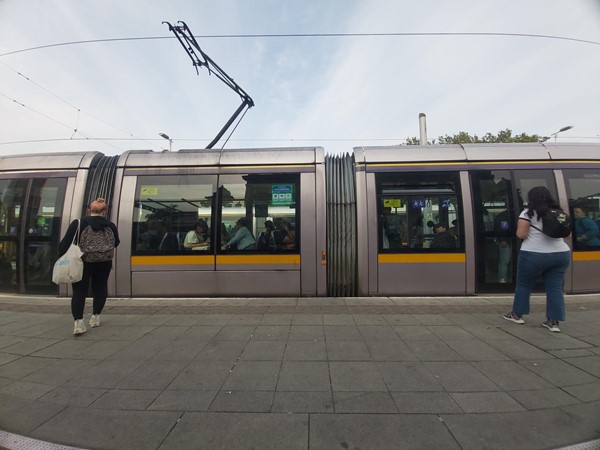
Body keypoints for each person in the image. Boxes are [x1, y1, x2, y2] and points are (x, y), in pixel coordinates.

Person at [502, 187, 570, 333]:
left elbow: (520, 234)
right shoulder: (559, 213)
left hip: (534, 254)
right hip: (561, 254)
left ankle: (517, 315)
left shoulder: (528, 213)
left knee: (524, 285)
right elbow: (567, 234)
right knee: (555, 288)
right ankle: (553, 322)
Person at [58, 198, 120, 336]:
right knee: (100, 288)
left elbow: (65, 244)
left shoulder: (78, 223)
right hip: (104, 262)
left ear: (89, 210)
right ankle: (95, 317)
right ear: (105, 211)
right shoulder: (110, 225)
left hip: (83, 262)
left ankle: (79, 324)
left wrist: (61, 256)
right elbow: (116, 242)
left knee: (79, 291)